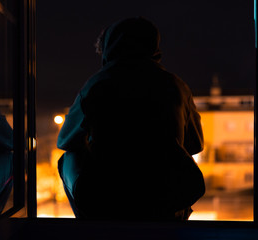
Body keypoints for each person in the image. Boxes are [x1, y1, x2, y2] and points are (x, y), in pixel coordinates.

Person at [57, 17, 205, 220]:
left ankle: (89, 221)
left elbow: (66, 141)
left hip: (108, 194)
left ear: (109, 47)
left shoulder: (96, 84)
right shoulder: (176, 86)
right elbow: (195, 144)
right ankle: (175, 220)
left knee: (67, 158)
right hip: (167, 196)